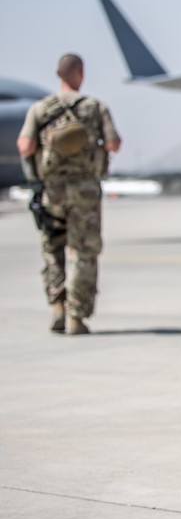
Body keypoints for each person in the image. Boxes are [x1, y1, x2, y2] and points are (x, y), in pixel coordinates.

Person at [16, 53, 121, 335]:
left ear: (58, 74)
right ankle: (77, 315)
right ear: (81, 73)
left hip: (53, 192)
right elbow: (113, 144)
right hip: (85, 191)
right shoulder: (95, 107)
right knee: (84, 252)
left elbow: (24, 146)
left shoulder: (40, 109)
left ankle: (57, 307)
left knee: (53, 249)